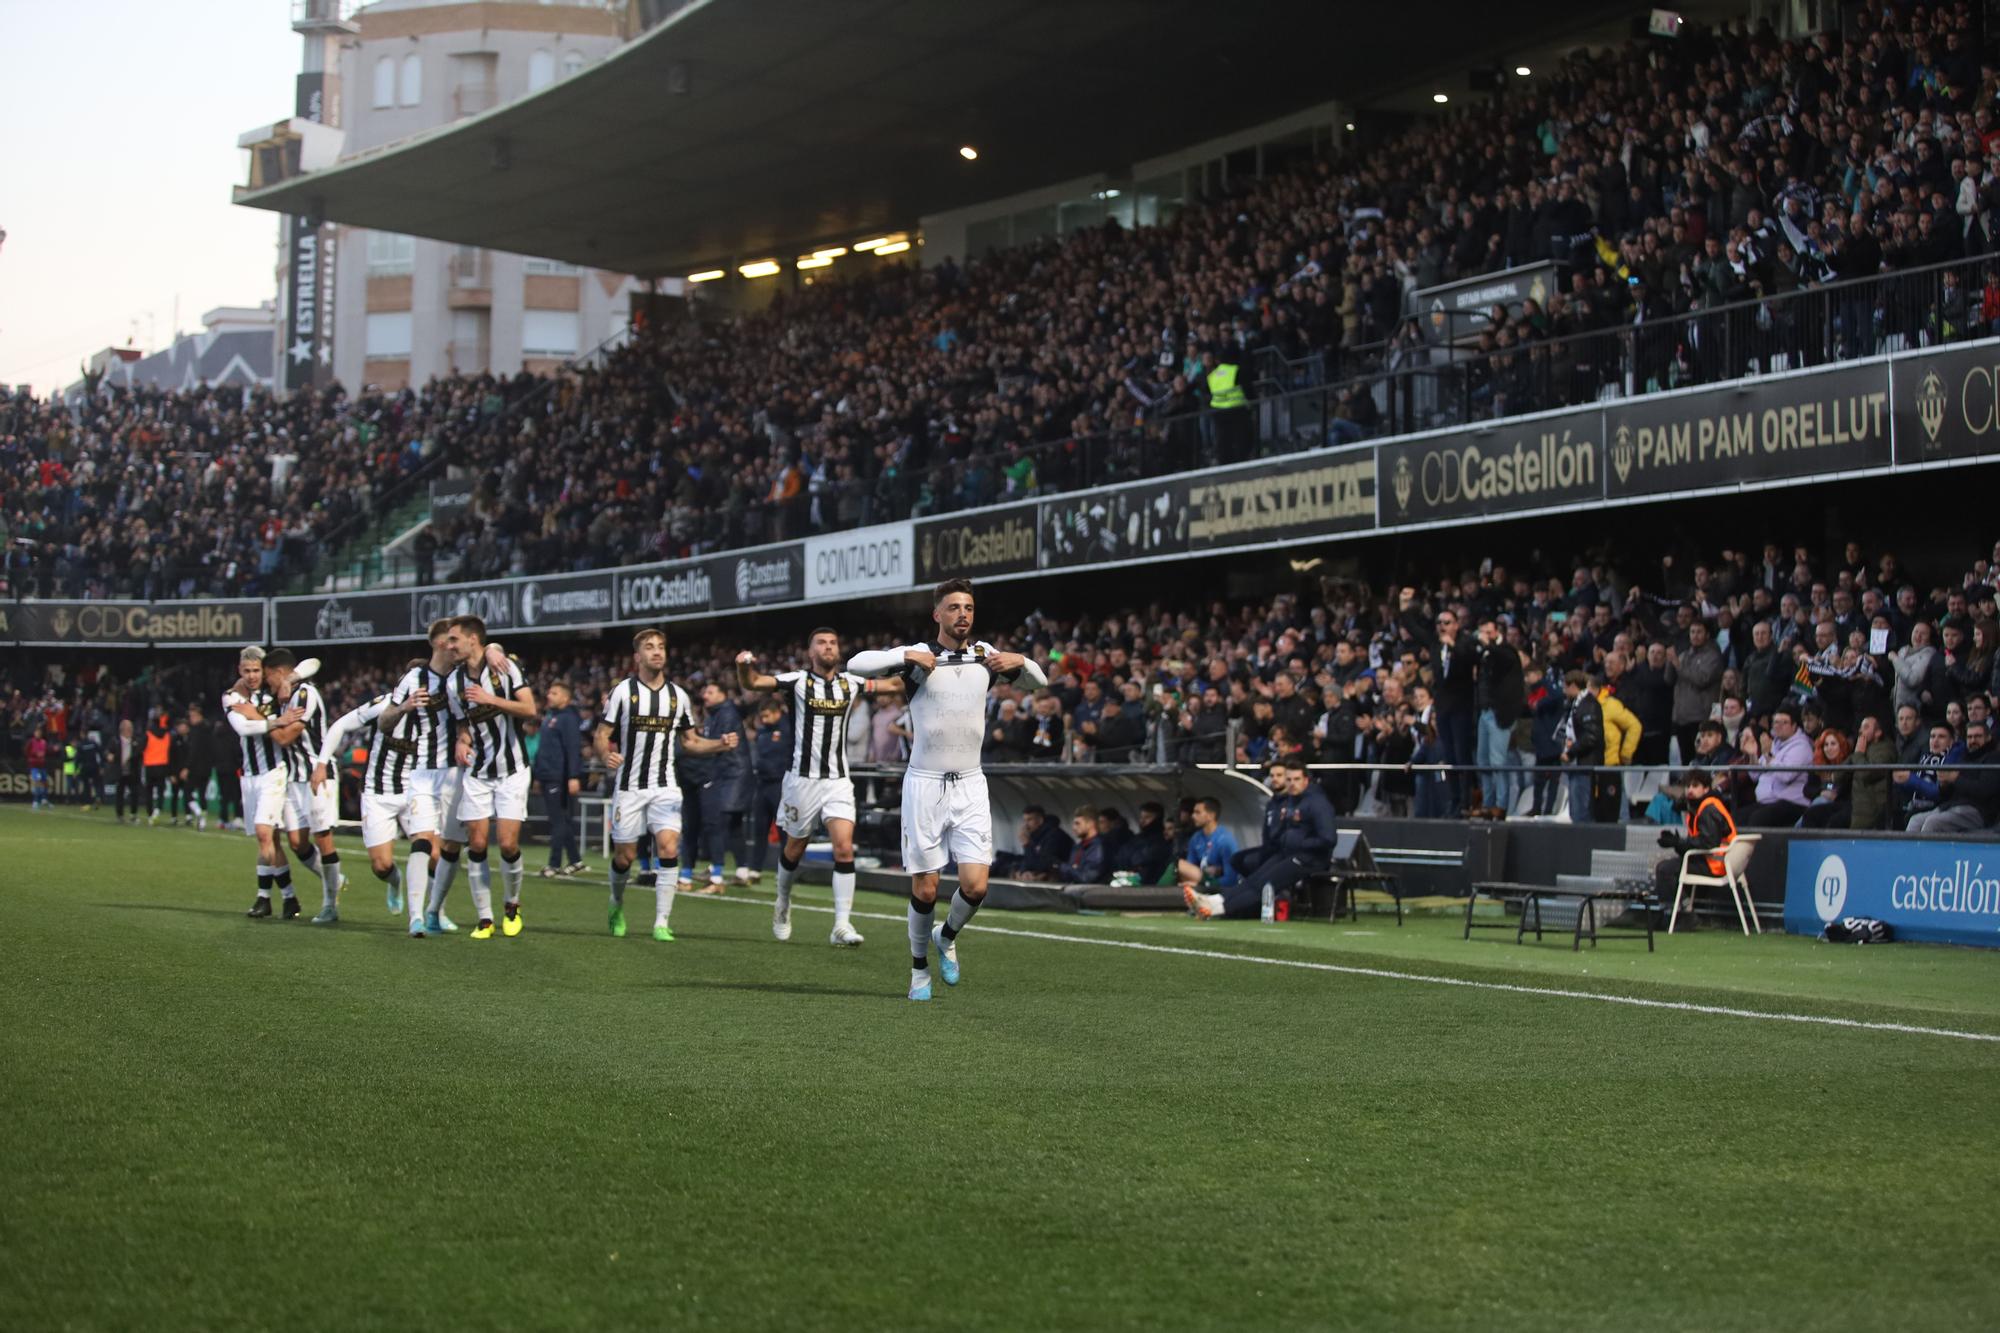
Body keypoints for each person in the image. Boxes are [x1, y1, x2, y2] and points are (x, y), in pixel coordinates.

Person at [846, 578, 1048, 1001]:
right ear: (937, 614)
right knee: (925, 888)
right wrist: (905, 655)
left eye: (969, 608)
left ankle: (947, 935)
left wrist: (1021, 660)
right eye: (954, 607)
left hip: (971, 783)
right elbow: (857, 664)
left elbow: (1038, 683)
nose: (963, 615)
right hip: (925, 785)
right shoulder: (920, 658)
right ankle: (919, 970)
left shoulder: (984, 656)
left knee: (976, 886)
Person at [736, 626, 888, 945]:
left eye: (833, 642)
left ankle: (841, 925)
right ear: (811, 652)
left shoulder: (853, 682)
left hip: (838, 780)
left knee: (844, 848)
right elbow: (753, 682)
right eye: (822, 643)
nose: (829, 647)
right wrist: (743, 666)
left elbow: (893, 685)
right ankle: (782, 901)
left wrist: (913, 661)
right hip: (801, 781)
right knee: (794, 848)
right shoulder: (797, 682)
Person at [595, 628, 739, 943]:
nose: (657, 652)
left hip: (665, 786)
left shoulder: (678, 696)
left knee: (669, 847)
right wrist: (606, 754)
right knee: (625, 857)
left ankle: (661, 921)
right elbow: (601, 733)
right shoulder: (623, 692)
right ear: (638, 656)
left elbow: (690, 742)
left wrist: (719, 745)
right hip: (630, 787)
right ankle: (616, 902)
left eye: (661, 647)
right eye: (649, 647)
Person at [375, 622, 476, 936]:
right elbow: (383, 722)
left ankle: (435, 909)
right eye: (451, 639)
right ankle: (415, 917)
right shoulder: (414, 679)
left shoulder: (463, 678)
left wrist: (464, 738)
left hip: (455, 774)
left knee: (449, 848)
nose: (455, 645)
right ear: (437, 643)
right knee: (421, 840)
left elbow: (469, 720)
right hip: (421, 771)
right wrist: (404, 707)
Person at [443, 616, 537, 938]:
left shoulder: (504, 667)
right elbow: (462, 723)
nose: (449, 645)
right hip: (479, 772)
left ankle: (512, 904)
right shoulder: (453, 682)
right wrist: (462, 739)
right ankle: (485, 918)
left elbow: (529, 710)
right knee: (478, 843)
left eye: (454, 639)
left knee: (508, 844)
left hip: (512, 770)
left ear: (473, 639)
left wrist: (491, 699)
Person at [1183, 759, 1334, 920]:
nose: (1292, 784)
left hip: (1309, 858)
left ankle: (1217, 909)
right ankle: (1213, 900)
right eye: (1289, 779)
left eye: (1296, 779)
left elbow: (1329, 838)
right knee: (1253, 879)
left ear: (1305, 780)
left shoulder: (1317, 803)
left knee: (1264, 885)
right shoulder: (1291, 801)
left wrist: (1301, 844)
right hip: (1288, 853)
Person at [222, 647, 307, 919]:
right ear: (239, 671)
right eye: (246, 671)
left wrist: (287, 680)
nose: (251, 676)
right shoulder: (231, 697)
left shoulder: (274, 691)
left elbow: (312, 665)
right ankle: (290, 898)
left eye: (256, 670)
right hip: (249, 776)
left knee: (263, 834)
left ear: (264, 670)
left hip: (274, 772)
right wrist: (276, 721)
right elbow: (242, 728)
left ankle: (263, 898)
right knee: (271, 841)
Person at [275, 651, 345, 925]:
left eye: (268, 674)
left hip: (318, 773)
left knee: (323, 838)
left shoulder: (304, 693)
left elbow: (286, 736)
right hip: (294, 778)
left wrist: (265, 724)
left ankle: (330, 905)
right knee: (296, 842)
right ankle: (336, 879)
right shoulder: (274, 699)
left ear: (279, 673)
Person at [1653, 767, 1737, 927]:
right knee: (1666, 866)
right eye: (1688, 786)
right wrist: (1678, 843)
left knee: (1665, 869)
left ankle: (1681, 914)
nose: (1690, 790)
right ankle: (1673, 914)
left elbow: (1708, 842)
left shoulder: (1708, 808)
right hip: (1715, 860)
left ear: (1706, 789)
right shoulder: (1700, 807)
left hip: (1717, 863)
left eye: (1695, 786)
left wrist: (1679, 842)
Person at [531, 681, 587, 878]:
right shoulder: (550, 716)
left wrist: (573, 776)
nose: (549, 695)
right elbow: (543, 748)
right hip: (547, 774)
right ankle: (575, 860)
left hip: (559, 776)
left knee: (558, 821)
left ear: (565, 697)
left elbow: (573, 749)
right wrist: (537, 775)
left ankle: (554, 864)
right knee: (560, 820)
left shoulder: (569, 719)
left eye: (554, 693)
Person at [1908, 718, 2000, 833]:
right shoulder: (1963, 758)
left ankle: (1928, 851)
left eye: (1978, 736)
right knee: (1915, 821)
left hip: (1978, 810)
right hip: (1951, 806)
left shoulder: (1993, 758)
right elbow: (1947, 794)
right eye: (1969, 737)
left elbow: (1985, 789)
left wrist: (1955, 779)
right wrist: (1944, 785)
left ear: (1988, 738)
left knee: (1934, 822)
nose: (1973, 740)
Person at [1472, 615, 1524, 813]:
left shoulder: (1507, 651)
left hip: (1499, 713)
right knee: (1483, 762)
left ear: (1496, 632)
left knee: (1497, 762)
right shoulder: (1484, 653)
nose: (1483, 636)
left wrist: (1487, 646)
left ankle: (1501, 806)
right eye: (1482, 632)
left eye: (1487, 631)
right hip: (1484, 712)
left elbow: (1503, 659)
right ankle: (1487, 803)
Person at [743, 698, 790, 882]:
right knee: (759, 829)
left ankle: (785, 870)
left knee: (783, 830)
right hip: (762, 784)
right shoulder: (763, 731)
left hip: (781, 784)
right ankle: (755, 869)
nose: (764, 719)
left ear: (778, 712)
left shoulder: (788, 729)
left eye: (767, 715)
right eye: (762, 716)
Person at [1743, 705, 1812, 827]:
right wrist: (1753, 755)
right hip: (1767, 802)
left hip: (1792, 803)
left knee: (1757, 819)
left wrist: (1768, 754)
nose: (1778, 726)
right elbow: (1754, 775)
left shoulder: (1801, 746)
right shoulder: (1774, 743)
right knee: (1737, 818)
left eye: (1784, 722)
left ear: (1794, 726)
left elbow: (1786, 775)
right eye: (1776, 722)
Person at [1558, 671, 1604, 823]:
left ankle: (1586, 844)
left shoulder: (1588, 705)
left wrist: (1571, 751)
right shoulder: (1577, 704)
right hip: (1576, 764)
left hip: (1584, 765)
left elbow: (1591, 737)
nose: (1564, 691)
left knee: (1581, 812)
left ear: (1573, 686)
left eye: (1565, 687)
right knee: (1575, 811)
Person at [1175, 797, 1240, 895]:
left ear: (1210, 816)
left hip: (1217, 887)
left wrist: (1205, 883)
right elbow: (1190, 866)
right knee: (1178, 865)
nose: (1193, 816)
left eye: (1198, 812)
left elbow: (1231, 879)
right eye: (1193, 812)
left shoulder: (1225, 840)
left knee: (1177, 865)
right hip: (1201, 879)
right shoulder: (1196, 838)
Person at [1110, 800, 1173, 885]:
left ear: (1158, 818)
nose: (1142, 821)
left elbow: (1146, 861)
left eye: (1147, 817)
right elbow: (1121, 856)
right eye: (1141, 817)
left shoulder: (1161, 841)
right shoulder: (1136, 839)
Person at [1004, 804, 1073, 880]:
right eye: (1025, 820)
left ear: (1040, 820)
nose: (1026, 825)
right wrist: (1022, 871)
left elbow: (1044, 863)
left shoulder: (1054, 836)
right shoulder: (1036, 836)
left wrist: (1027, 844)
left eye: (1029, 820)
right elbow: (1028, 859)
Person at [181, 703, 217, 831]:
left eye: (192, 716)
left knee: (187, 792)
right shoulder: (209, 728)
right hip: (207, 767)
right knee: (202, 793)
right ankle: (203, 822)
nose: (190, 719)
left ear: (197, 716)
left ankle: (198, 813)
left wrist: (187, 767)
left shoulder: (196, 731)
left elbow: (193, 751)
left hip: (196, 767)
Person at [1054, 805, 1105, 884]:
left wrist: (1064, 867)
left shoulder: (1099, 847)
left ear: (1090, 824)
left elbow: (1086, 877)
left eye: (1078, 824)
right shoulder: (1078, 847)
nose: (1074, 827)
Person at [141, 712, 173, 826]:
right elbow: (170, 752)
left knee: (149, 792)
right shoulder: (167, 735)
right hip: (162, 766)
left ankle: (150, 814)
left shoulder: (148, 734)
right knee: (160, 791)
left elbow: (141, 748)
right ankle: (157, 810)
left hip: (150, 766)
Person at [25, 726, 50, 810]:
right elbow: (26, 751)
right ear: (34, 733)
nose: (38, 734)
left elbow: (47, 751)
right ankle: (35, 801)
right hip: (34, 765)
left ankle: (44, 799)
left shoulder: (44, 742)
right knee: (37, 781)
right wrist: (34, 754)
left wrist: (53, 749)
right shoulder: (31, 742)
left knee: (44, 782)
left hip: (42, 765)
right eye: (37, 732)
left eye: (40, 732)